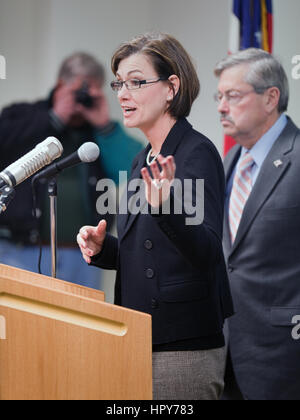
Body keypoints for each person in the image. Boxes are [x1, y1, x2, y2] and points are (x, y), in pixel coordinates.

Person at [77, 33, 234, 400]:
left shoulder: (196, 154)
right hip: (138, 337)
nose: (122, 93)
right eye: (119, 82)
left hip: (182, 349)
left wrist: (166, 207)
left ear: (171, 88)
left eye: (135, 81)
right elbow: (150, 252)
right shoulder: (140, 159)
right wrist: (104, 249)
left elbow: (206, 252)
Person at [0, 52, 143, 289]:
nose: (82, 101)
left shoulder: (99, 133)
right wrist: (54, 118)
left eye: (89, 93)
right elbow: (7, 145)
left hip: (82, 256)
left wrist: (105, 125)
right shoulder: (23, 115)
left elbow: (132, 170)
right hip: (21, 249)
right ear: (59, 85)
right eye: (77, 91)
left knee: (80, 325)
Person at [214, 48, 300, 400]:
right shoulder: (231, 158)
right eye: (218, 96)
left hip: (285, 352)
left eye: (232, 96)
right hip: (228, 349)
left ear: (270, 98)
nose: (221, 106)